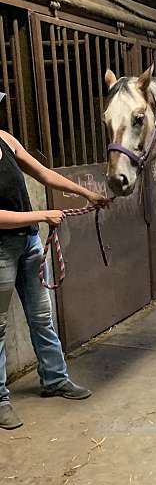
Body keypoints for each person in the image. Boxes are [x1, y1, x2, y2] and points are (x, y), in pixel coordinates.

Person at [0, 91, 109, 430]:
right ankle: (0, 400)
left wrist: (85, 192)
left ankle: (54, 378)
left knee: (42, 316)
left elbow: (44, 174)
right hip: (2, 250)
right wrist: (43, 214)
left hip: (29, 242)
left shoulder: (5, 140)